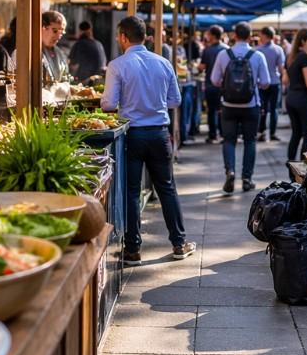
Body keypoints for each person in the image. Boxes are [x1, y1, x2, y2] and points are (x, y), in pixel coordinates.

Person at [102, 15, 194, 263]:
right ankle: (179, 243)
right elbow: (175, 101)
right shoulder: (163, 63)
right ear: (145, 36)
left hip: (132, 134)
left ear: (123, 37)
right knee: (166, 187)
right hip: (159, 133)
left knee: (132, 191)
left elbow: (109, 104)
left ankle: (132, 249)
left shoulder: (117, 65)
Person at [212, 22, 270, 192]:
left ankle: (230, 171)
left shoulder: (224, 55)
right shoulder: (257, 56)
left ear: (234, 36)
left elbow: (214, 80)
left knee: (229, 140)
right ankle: (247, 178)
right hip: (251, 104)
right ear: (250, 36)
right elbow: (266, 82)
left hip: (228, 104)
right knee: (249, 141)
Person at [282, 27, 307, 163]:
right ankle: (303, 167)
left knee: (296, 133)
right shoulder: (305, 57)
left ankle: (291, 163)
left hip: (291, 98)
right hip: (305, 100)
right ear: (303, 40)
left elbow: (285, 80)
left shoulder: (291, 56)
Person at [256, 27, 286, 143]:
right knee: (273, 109)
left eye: (260, 35)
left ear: (264, 35)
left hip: (262, 83)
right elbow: (281, 68)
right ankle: (272, 133)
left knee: (262, 108)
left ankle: (261, 132)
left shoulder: (257, 50)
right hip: (274, 82)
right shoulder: (278, 49)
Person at [200, 26, 227, 143]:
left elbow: (202, 67)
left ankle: (212, 135)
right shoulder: (227, 50)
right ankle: (223, 133)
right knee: (222, 110)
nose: (207, 36)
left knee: (211, 111)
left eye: (209, 34)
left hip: (211, 84)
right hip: (225, 86)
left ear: (213, 35)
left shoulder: (208, 50)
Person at [39, 11, 68, 85]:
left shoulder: (60, 53)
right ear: (42, 28)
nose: (59, 36)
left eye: (61, 33)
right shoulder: (28, 52)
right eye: (55, 31)